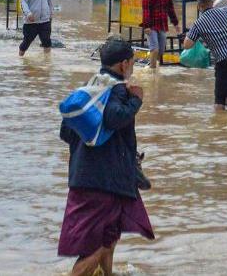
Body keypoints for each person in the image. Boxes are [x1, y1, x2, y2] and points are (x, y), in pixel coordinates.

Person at [58, 38, 153, 275]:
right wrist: (137, 100)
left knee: (108, 239)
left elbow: (66, 132)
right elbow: (115, 118)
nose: (132, 67)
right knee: (97, 247)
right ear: (123, 64)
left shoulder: (88, 90)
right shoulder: (119, 91)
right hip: (106, 182)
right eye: (132, 62)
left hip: (82, 177)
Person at [140, 0, 179, 69]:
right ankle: (153, 73)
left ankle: (152, 67)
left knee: (161, 50)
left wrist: (175, 23)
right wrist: (146, 25)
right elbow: (146, 7)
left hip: (162, 23)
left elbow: (170, 6)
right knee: (155, 49)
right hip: (151, 24)